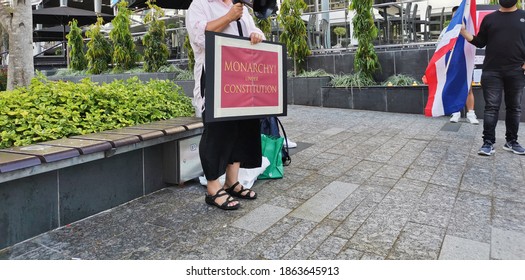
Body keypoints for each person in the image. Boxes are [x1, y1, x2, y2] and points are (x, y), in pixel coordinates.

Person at [186, 0, 266, 210]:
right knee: (217, 131)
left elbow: (254, 30)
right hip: (215, 78)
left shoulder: (242, 8)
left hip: (242, 79)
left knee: (241, 129)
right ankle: (213, 188)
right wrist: (229, 17)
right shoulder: (200, 5)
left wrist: (256, 34)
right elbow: (199, 37)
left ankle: (232, 182)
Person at [460, 0, 525, 156]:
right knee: (491, 108)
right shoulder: (489, 18)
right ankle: (488, 143)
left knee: (514, 108)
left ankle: (512, 142)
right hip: (492, 71)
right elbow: (480, 42)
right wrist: (464, 32)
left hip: (516, 71)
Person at [433, 5, 479, 124]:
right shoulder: (447, 30)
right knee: (453, 87)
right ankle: (455, 112)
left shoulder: (470, 30)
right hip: (451, 64)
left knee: (468, 88)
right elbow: (439, 48)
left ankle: (471, 114)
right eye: (455, 16)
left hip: (465, 64)